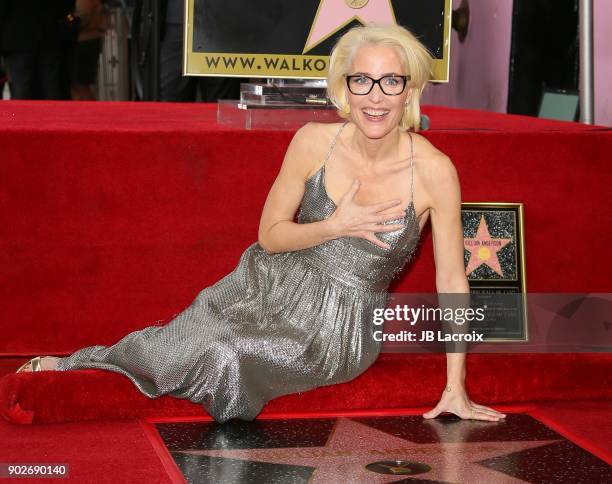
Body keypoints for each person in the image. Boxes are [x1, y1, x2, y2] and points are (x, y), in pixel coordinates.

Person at [17, 24, 506, 424]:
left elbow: (452, 282)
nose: (375, 97)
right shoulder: (314, 142)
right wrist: (332, 227)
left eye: (391, 82)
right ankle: (75, 364)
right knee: (177, 338)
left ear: (410, 91)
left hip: (336, 327)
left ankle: (84, 368)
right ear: (344, 89)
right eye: (362, 81)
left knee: (224, 351)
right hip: (265, 281)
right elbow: (270, 236)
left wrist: (455, 387)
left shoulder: (436, 171)